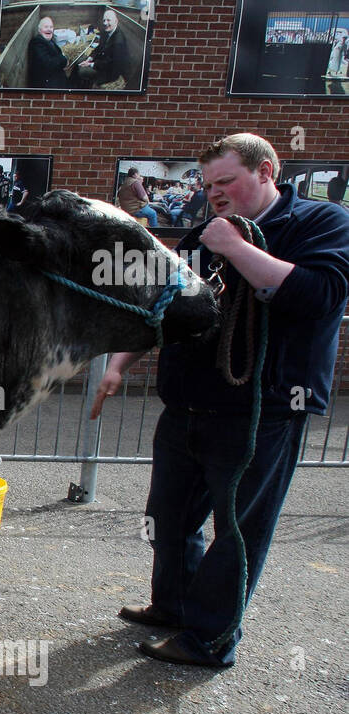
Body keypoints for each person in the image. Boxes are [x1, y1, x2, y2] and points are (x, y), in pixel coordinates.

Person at [91, 133, 349, 668]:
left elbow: (317, 296)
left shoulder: (321, 224)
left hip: (263, 410)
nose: (215, 193)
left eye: (226, 181)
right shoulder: (201, 234)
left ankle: (209, 637)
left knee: (237, 529)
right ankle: (174, 606)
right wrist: (118, 365)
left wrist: (233, 247)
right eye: (208, 185)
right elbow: (164, 307)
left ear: (267, 171)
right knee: (167, 516)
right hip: (187, 404)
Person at [76, 9, 132, 88]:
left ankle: (84, 88)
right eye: (104, 20)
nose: (105, 23)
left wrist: (91, 64)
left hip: (109, 72)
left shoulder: (118, 42)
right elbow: (99, 47)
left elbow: (111, 64)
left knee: (82, 71)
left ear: (116, 21)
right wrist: (90, 58)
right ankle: (73, 86)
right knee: (79, 61)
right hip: (102, 61)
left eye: (108, 20)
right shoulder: (106, 31)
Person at [27, 16, 69, 89]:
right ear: (39, 30)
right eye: (46, 27)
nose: (49, 29)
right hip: (46, 84)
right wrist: (64, 60)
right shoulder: (37, 43)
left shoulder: (49, 40)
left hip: (53, 77)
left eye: (51, 27)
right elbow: (48, 64)